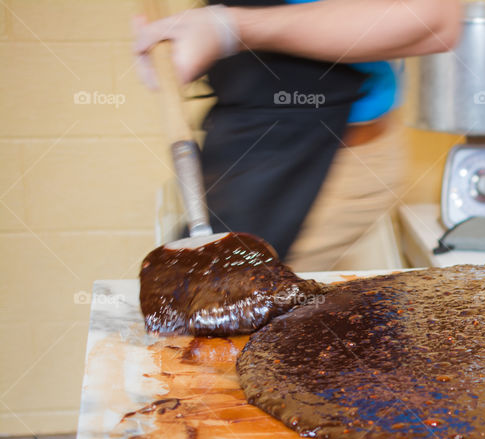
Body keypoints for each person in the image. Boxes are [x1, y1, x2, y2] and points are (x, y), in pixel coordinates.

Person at [133, 0, 461, 264]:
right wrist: (189, 35)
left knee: (235, 313)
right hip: (244, 136)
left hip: (320, 157)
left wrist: (229, 28)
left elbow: (431, 18)